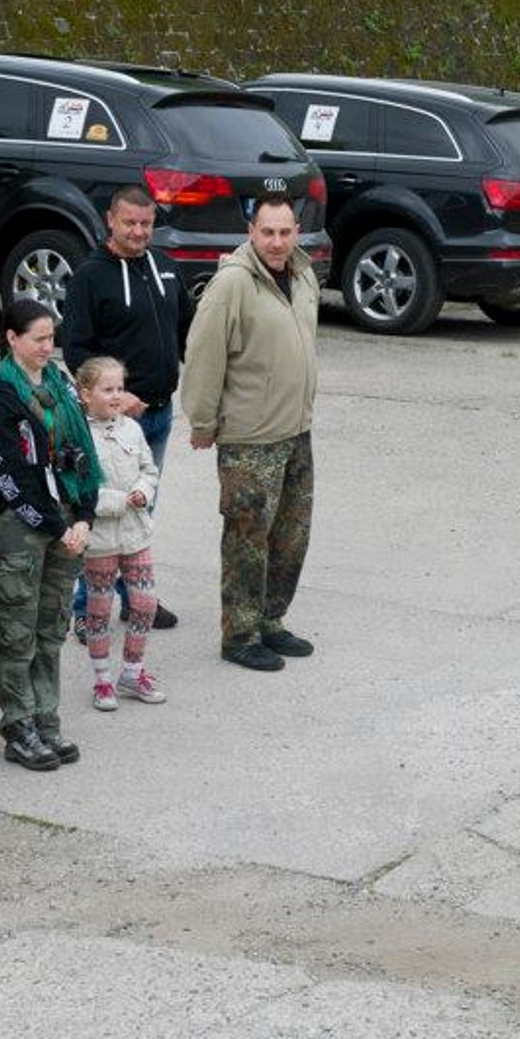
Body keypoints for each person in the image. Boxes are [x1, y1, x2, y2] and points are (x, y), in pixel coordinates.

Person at [181, 193, 319, 672]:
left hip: (296, 430)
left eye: (285, 232)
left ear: (296, 231)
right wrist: (202, 421)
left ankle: (270, 620)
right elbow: (203, 354)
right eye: (267, 232)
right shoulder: (232, 284)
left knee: (291, 536)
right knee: (247, 537)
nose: (277, 242)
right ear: (251, 232)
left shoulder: (303, 275)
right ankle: (239, 633)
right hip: (250, 439)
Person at [62, 184, 193, 629]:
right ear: (110, 221)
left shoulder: (166, 268)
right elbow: (76, 352)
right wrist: (117, 398)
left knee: (139, 510)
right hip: (111, 425)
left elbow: (187, 332)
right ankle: (85, 611)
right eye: (130, 223)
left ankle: (137, 598)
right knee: (102, 513)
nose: (138, 232)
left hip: (158, 416)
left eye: (146, 223)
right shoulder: (89, 276)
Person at [0, 299, 100, 771]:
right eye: (39, 339)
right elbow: (10, 475)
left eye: (52, 338)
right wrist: (58, 526)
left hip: (69, 521)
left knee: (51, 627)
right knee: (17, 631)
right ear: (12, 338)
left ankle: (47, 715)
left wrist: (84, 513)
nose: (49, 348)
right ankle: (19, 724)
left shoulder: (62, 387)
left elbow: (84, 451)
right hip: (23, 529)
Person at [74, 357, 166, 711]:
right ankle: (101, 679)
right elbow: (78, 489)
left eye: (120, 388)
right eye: (107, 389)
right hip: (99, 539)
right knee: (98, 609)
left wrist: (144, 489)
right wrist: (117, 501)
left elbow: (149, 468)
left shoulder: (131, 428)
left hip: (135, 533)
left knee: (145, 601)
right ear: (85, 394)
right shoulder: (78, 434)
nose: (116, 396)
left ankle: (132, 671)